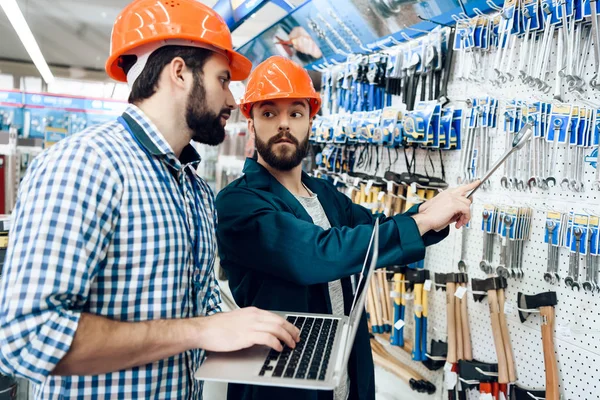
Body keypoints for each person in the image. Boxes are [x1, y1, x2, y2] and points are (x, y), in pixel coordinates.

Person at [0, 2, 299, 399]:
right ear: (179, 72)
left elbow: (196, 303)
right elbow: (26, 338)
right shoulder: (87, 165)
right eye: (223, 79)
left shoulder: (191, 187)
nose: (232, 98)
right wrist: (200, 330)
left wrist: (241, 326)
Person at [215, 56, 478, 400]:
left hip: (346, 376)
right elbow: (314, 254)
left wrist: (433, 211)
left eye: (295, 113)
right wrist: (420, 221)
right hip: (281, 383)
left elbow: (375, 232)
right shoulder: (238, 202)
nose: (284, 124)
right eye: (268, 113)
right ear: (250, 124)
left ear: (311, 121)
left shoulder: (325, 194)